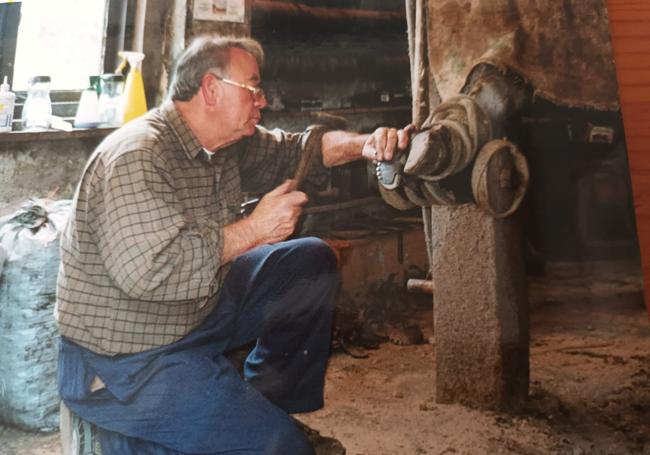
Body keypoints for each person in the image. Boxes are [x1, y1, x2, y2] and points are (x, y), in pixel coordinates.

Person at [55, 35, 412, 455]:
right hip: (131, 355)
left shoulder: (225, 144)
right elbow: (152, 272)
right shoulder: (138, 156)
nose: (262, 101)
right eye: (253, 88)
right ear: (210, 89)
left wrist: (364, 145)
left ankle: (264, 409)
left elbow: (301, 151)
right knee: (283, 449)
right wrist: (256, 229)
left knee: (308, 260)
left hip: (196, 312)